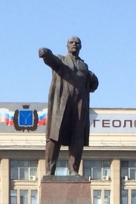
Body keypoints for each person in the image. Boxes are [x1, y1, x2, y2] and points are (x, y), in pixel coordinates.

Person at [38, 36, 99, 175]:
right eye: (71, 42)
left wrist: (93, 78)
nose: (74, 44)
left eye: (77, 43)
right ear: (67, 46)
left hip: (79, 104)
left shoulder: (84, 66)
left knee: (77, 136)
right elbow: (52, 60)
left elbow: (92, 86)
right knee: (55, 136)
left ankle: (73, 170)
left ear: (81, 46)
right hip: (62, 103)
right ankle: (50, 170)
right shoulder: (62, 60)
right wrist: (46, 53)